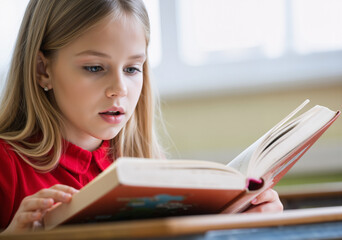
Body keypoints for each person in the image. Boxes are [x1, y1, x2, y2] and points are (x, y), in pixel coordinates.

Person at [0, 0, 282, 233]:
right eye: (95, 68)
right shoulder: (7, 165)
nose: (119, 89)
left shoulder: (146, 167)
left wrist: (239, 223)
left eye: (132, 69)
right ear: (42, 70)